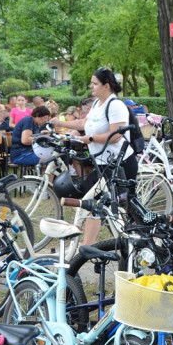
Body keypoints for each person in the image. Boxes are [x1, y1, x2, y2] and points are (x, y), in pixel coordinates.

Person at [58, 68, 137, 245]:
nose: (91, 87)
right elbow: (83, 123)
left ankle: (131, 244)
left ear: (106, 86)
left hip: (120, 164)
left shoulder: (115, 105)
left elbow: (116, 135)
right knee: (93, 204)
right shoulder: (97, 104)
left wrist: (89, 139)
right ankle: (87, 248)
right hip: (103, 163)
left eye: (94, 84)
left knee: (115, 208)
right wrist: (60, 123)